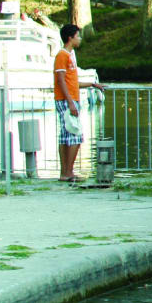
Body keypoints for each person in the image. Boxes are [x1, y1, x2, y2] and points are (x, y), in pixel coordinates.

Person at [53, 23, 103, 185]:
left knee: (67, 135)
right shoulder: (62, 55)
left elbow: (72, 81)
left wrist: (92, 84)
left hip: (71, 98)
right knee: (74, 135)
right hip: (67, 100)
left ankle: (66, 171)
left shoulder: (71, 55)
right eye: (77, 36)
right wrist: (70, 102)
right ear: (70, 38)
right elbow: (61, 81)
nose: (80, 39)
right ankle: (67, 171)